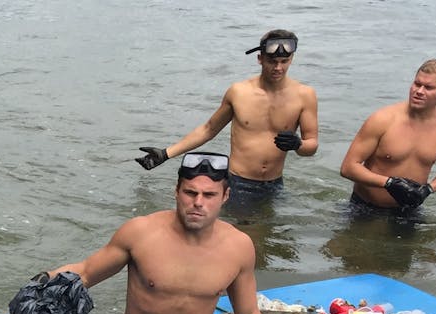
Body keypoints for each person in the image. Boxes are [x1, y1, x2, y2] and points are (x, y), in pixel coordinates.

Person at [50, 152, 306, 314]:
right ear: (176, 192)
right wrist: (38, 286)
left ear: (225, 197)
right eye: (190, 192)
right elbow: (86, 272)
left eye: (209, 195)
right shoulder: (141, 233)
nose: (198, 202)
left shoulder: (238, 248)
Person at [134, 30, 318, 208]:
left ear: (292, 59)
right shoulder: (239, 92)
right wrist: (166, 154)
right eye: (272, 61)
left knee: (272, 237)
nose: (278, 68)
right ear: (260, 58)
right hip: (238, 183)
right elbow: (209, 129)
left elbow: (311, 147)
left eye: (284, 61)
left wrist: (298, 144)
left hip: (275, 185)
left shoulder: (305, 95)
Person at [340, 59, 436, 212]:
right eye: (417, 84)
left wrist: (428, 189)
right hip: (364, 207)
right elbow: (348, 168)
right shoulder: (382, 119)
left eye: (428, 87)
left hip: (409, 211)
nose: (419, 91)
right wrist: (388, 183)